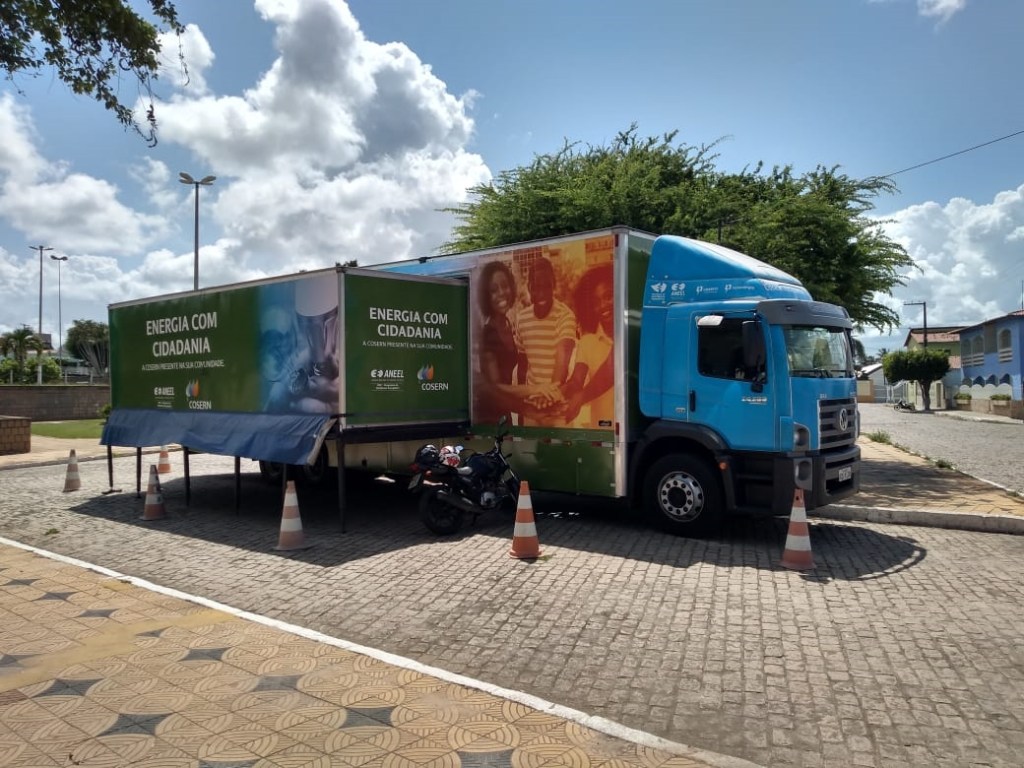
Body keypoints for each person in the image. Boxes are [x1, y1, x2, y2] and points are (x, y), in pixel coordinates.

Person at [513, 257, 577, 424]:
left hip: (557, 405)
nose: (541, 293)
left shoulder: (565, 316)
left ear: (553, 285)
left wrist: (550, 395)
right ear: (529, 288)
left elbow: (562, 360)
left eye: (546, 286)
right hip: (531, 407)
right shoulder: (522, 319)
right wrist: (522, 408)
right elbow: (522, 365)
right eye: (536, 287)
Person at [562, 263, 614, 428]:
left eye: (608, 296)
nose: (603, 305)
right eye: (596, 301)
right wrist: (562, 392)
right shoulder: (587, 342)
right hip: (600, 429)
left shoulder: (629, 335)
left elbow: (613, 367)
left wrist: (582, 397)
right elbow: (577, 380)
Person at [475, 260, 521, 422]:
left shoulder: (506, 323)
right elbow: (496, 387)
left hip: (505, 412)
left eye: (505, 286)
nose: (501, 293)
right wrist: (533, 391)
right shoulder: (489, 334)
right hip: (491, 417)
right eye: (493, 290)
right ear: (486, 297)